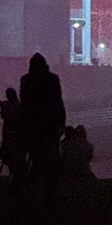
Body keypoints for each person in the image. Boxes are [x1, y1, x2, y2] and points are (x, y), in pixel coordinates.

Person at [19, 53, 66, 190]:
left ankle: (33, 184)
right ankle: (49, 187)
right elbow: (58, 101)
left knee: (35, 154)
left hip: (32, 123)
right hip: (50, 123)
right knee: (50, 157)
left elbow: (24, 102)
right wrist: (61, 121)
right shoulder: (52, 79)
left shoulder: (26, 80)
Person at [0, 87, 25, 180]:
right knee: (11, 155)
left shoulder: (13, 105)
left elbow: (9, 116)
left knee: (11, 155)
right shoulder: (15, 104)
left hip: (13, 135)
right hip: (12, 134)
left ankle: (15, 174)